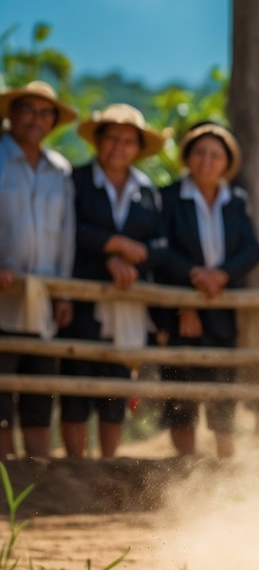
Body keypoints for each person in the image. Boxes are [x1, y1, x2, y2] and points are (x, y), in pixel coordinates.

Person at [61, 104, 166, 459]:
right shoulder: (75, 181)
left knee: (117, 383)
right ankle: (75, 466)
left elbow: (161, 244)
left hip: (129, 300)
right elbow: (64, 229)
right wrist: (111, 248)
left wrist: (135, 260)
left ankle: (107, 464)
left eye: (127, 140)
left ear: (137, 147)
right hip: (82, 296)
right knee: (76, 380)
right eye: (111, 138)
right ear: (98, 141)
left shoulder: (149, 191)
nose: (118, 146)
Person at [154, 123, 259, 459]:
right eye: (199, 152)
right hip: (179, 311)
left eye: (216, 154)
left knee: (222, 390)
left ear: (227, 161)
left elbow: (250, 248)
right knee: (180, 393)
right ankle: (185, 466)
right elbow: (160, 250)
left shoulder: (236, 200)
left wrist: (222, 275)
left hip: (222, 311)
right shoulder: (169, 197)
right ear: (187, 156)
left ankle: (224, 467)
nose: (207, 160)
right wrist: (192, 279)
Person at [0, 81, 77, 459]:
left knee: (39, 395)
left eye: (45, 112)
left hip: (44, 300)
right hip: (2, 298)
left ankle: (37, 484)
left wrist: (63, 292)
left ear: (53, 121)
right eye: (28, 109)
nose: (36, 119)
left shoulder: (60, 171)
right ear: (11, 114)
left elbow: (66, 237)